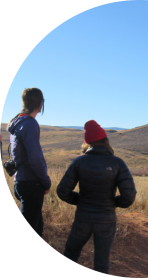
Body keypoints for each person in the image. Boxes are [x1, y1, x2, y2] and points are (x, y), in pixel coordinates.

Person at [57, 120, 137, 275]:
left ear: (87, 142)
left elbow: (62, 191)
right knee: (101, 265)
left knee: (71, 254)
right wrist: (113, 202)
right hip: (106, 220)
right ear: (105, 140)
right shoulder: (118, 163)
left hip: (83, 218)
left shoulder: (79, 162)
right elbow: (129, 196)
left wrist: (80, 200)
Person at [7, 88, 51, 238]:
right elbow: (35, 158)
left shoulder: (17, 122)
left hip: (20, 182)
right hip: (31, 184)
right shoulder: (30, 124)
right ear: (39, 104)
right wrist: (46, 182)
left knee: (38, 227)